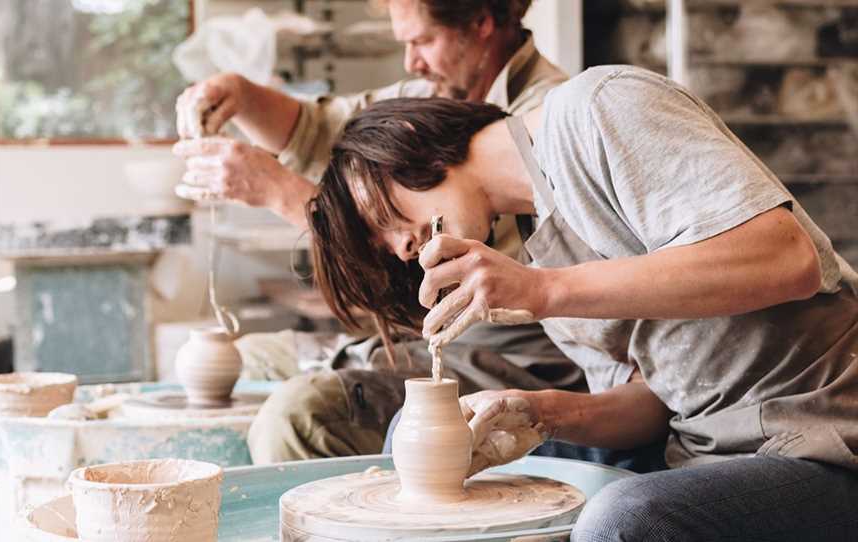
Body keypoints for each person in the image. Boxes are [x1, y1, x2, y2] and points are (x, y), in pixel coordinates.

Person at [307, 65, 858, 541]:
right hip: (701, 449)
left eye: (381, 219)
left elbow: (788, 257)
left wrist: (545, 291)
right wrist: (537, 412)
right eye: (389, 249)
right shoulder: (537, 246)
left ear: (402, 134)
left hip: (820, 436)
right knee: (417, 428)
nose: (403, 246)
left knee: (621, 521)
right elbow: (656, 405)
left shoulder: (598, 106)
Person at [173, 0, 662, 468]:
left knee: (299, 415)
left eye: (423, 39)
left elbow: (432, 263)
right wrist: (238, 93)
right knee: (247, 358)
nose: (412, 59)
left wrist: (281, 194)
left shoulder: (549, 122)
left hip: (512, 354)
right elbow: (319, 128)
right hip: (430, 341)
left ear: (481, 22)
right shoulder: (434, 94)